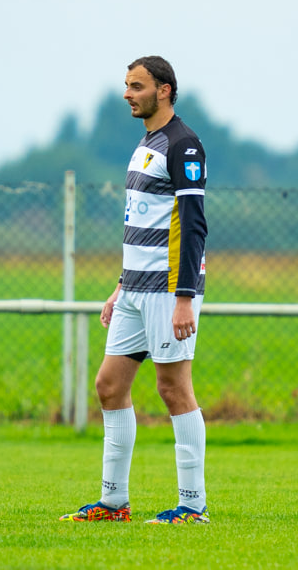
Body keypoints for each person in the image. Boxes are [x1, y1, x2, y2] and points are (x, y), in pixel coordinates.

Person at [60, 56, 209, 524]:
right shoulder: (145, 142)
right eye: (126, 85)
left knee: (173, 387)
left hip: (169, 291)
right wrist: (119, 286)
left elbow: (193, 224)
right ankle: (113, 503)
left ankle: (193, 506)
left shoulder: (184, 145)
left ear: (164, 90)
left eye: (137, 86)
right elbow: (142, 222)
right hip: (134, 289)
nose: (127, 93)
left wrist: (184, 296)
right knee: (108, 386)